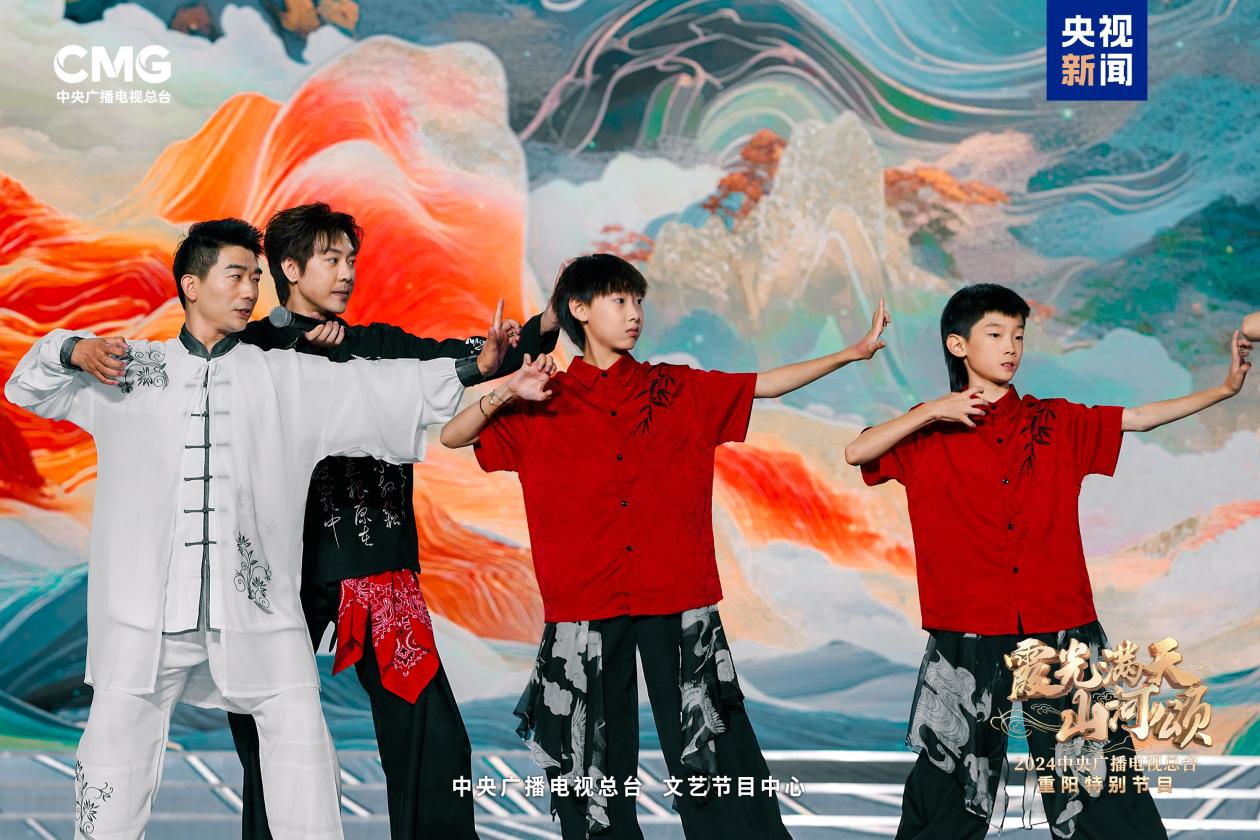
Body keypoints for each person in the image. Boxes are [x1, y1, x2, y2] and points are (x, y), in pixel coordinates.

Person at [5, 218, 467, 840]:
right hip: (144, 621)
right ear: (191, 285)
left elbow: (384, 388)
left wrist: (479, 368)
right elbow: (27, 387)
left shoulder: (283, 375)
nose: (251, 290)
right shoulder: (132, 370)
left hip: (255, 614)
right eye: (236, 275)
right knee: (112, 772)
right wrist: (72, 349)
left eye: (255, 277)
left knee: (304, 758)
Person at [440, 252, 892, 839]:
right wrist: (508, 391)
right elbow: (454, 437)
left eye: (638, 302)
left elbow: (766, 385)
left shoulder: (676, 388)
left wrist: (850, 354)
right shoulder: (542, 397)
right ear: (579, 310)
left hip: (675, 595)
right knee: (590, 765)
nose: (634, 314)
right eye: (619, 301)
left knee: (712, 751)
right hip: (585, 603)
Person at [844, 283, 1252, 840]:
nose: (1010, 347)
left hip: (1059, 622)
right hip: (967, 625)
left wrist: (1225, 389)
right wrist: (935, 410)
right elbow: (857, 451)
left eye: (1018, 335)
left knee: (1096, 770)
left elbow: (1138, 418)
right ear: (958, 345)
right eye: (995, 334)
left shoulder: (1054, 421)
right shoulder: (926, 430)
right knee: (951, 776)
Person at [228, 202, 559, 840]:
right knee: (270, 737)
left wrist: (545, 323)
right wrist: (292, 341)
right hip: (276, 571)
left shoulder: (380, 346)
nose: (347, 273)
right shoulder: (250, 349)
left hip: (375, 566)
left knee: (433, 743)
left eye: (351, 260)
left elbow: (475, 361)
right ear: (290, 268)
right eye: (331, 260)